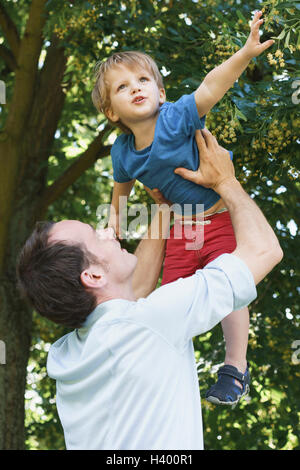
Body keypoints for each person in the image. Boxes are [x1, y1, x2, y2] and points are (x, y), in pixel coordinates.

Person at [16, 129, 283, 450]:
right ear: (94, 277)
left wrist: (167, 206)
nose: (107, 232)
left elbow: (136, 289)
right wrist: (225, 181)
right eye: (95, 236)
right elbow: (265, 250)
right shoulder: (153, 322)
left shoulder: (66, 358)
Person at [91, 11, 275, 404]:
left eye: (144, 80)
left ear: (160, 91)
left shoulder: (176, 116)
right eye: (123, 86)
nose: (136, 88)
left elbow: (211, 86)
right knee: (167, 293)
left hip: (219, 217)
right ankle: (162, 362)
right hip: (184, 227)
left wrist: (245, 52)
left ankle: (235, 366)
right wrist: (112, 230)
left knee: (230, 285)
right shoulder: (123, 152)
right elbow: (119, 194)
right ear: (111, 111)